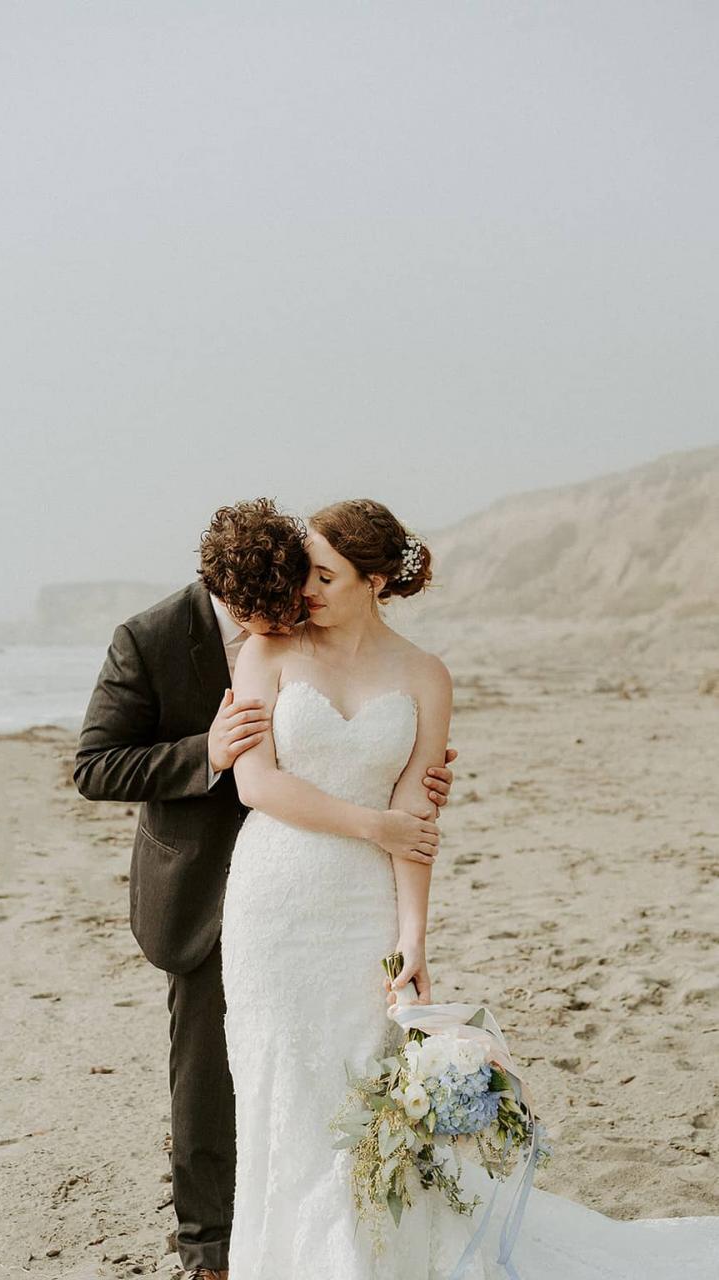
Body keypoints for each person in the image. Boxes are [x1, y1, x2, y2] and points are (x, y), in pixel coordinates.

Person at [220, 498, 719, 1278]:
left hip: (363, 906)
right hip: (273, 900)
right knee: (281, 1085)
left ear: (375, 579)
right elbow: (257, 785)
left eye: (325, 575)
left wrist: (412, 936)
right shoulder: (268, 650)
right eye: (304, 572)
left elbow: (418, 814)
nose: (305, 590)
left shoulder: (423, 674)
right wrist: (371, 825)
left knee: (365, 1082)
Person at [73, 497, 457, 1280]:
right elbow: (94, 767)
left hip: (345, 885)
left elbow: (408, 800)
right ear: (220, 592)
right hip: (221, 878)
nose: (280, 614)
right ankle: (212, 1251)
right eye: (254, 608)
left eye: (301, 588)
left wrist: (405, 834)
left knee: (351, 1069)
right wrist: (205, 751)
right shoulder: (152, 640)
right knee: (216, 1074)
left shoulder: (388, 657)